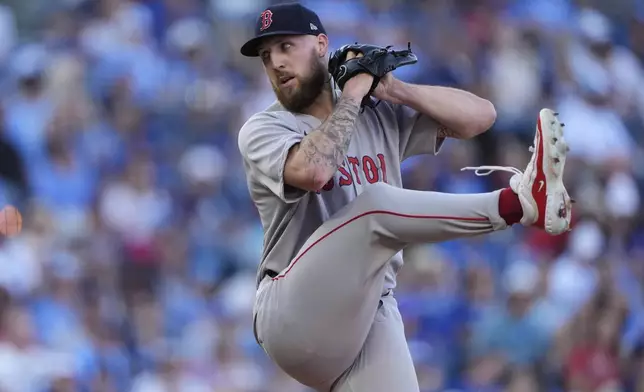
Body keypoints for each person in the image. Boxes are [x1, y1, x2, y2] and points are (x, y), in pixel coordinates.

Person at [237, 3, 572, 391]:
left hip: (368, 313)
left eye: (285, 46)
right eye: (266, 56)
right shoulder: (264, 127)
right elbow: (315, 171)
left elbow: (481, 116)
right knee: (377, 206)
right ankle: (520, 203)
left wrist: (392, 87)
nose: (276, 62)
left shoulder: (376, 111)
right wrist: (354, 92)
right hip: (292, 310)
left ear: (321, 45)